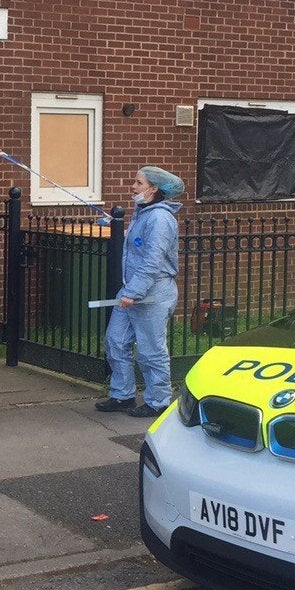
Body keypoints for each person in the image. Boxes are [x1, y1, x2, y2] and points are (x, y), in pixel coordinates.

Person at [95, 166, 183, 418]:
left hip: (152, 293)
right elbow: (137, 242)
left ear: (154, 189)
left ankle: (158, 401)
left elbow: (153, 261)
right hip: (132, 291)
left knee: (151, 350)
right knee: (116, 341)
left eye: (138, 183)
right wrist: (112, 225)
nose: (132, 187)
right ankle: (122, 395)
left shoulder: (160, 219)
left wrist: (132, 292)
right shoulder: (143, 214)